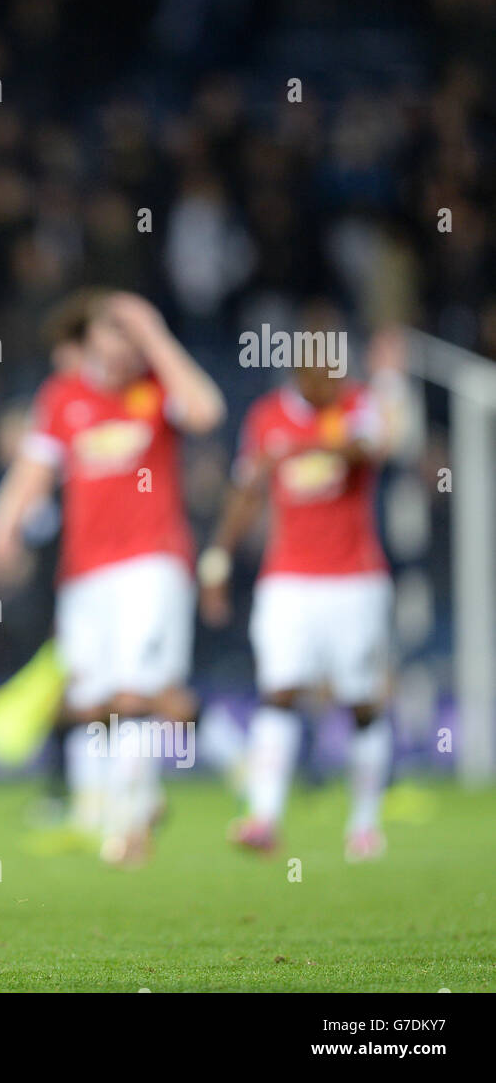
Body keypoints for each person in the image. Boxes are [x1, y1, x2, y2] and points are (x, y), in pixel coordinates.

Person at [0, 289, 224, 865]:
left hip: (153, 563)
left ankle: (132, 821)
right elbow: (32, 473)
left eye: (130, 333)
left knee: (136, 690)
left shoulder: (158, 389)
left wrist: (157, 335)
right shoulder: (64, 397)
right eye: (113, 332)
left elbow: (207, 412)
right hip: (85, 573)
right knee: (90, 698)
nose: (123, 344)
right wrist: (1, 534)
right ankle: (97, 812)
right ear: (89, 341)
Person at [200, 351, 394, 862]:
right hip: (287, 580)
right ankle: (264, 817)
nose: (334, 382)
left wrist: (295, 448)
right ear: (300, 375)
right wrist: (217, 558)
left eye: (338, 371)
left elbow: (369, 447)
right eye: (322, 374)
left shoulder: (358, 405)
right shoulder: (267, 417)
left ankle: (365, 823)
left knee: (360, 699)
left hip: (356, 580)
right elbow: (247, 492)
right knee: (279, 691)